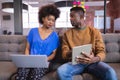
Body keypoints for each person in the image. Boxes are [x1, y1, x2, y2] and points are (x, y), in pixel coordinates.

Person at [57, 6, 118, 80]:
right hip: (75, 64)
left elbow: (101, 52)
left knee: (110, 72)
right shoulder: (67, 34)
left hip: (92, 63)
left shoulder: (94, 32)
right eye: (70, 16)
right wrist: (72, 52)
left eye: (72, 16)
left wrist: (94, 59)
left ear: (82, 17)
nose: (70, 19)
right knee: (61, 71)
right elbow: (64, 54)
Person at [15, 4, 60, 80]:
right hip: (30, 61)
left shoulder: (54, 36)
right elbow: (27, 48)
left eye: (53, 20)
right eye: (49, 19)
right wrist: (27, 59)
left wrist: (44, 60)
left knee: (35, 74)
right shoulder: (33, 31)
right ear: (43, 18)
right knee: (22, 72)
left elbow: (53, 54)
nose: (51, 22)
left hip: (43, 63)